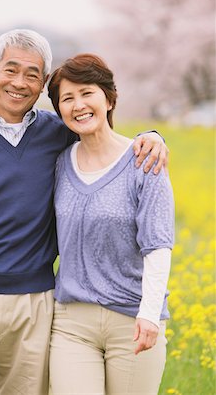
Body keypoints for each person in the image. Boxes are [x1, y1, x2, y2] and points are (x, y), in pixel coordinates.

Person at [0, 30, 168, 395]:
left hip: (35, 302)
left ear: (43, 82)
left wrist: (152, 136)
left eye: (32, 74)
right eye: (11, 70)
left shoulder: (59, 134)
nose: (19, 83)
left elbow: (104, 143)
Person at [47, 53, 174, 395]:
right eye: (67, 99)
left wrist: (149, 314)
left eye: (87, 93)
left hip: (132, 321)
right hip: (71, 322)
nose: (79, 105)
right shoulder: (58, 164)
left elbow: (158, 245)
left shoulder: (145, 161)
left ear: (109, 98)